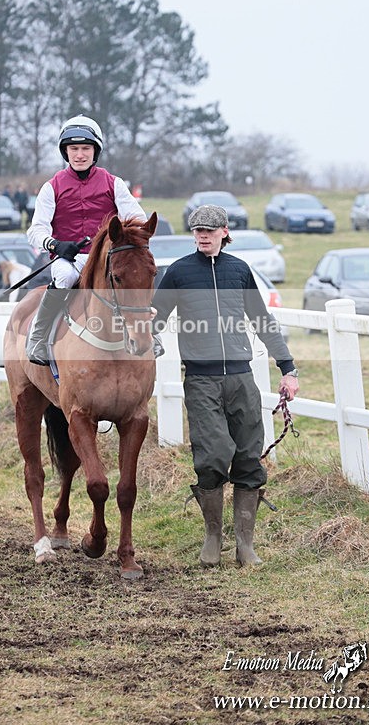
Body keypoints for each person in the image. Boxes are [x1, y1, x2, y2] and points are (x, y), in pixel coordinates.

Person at [152, 204, 299, 569]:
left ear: (224, 232)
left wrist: (288, 368)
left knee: (249, 455)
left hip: (240, 377)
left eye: (209, 230)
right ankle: (212, 539)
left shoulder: (239, 270)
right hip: (201, 379)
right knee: (214, 453)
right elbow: (154, 316)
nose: (202, 236)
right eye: (197, 230)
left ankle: (245, 546)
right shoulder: (178, 272)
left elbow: (263, 320)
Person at [26, 114, 147, 365]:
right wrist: (56, 245)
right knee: (66, 277)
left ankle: (148, 335)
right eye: (74, 149)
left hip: (105, 258)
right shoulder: (52, 187)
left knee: (133, 275)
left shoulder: (114, 183)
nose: (79, 154)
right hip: (68, 261)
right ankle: (38, 337)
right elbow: (35, 231)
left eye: (85, 148)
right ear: (65, 152)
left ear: (95, 151)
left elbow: (138, 218)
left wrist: (124, 238)